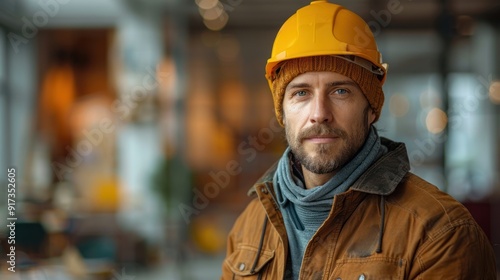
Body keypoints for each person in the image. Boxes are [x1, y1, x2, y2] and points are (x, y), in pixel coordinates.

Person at [221, 1, 497, 279]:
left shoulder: (439, 235)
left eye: (340, 91)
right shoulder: (250, 226)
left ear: (372, 107)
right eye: (301, 93)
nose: (319, 114)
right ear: (282, 111)